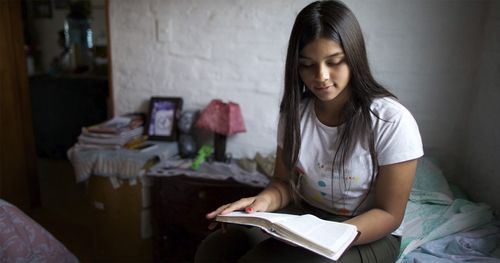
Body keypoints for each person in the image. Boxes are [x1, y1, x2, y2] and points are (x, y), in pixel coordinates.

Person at [195, 0, 423, 262]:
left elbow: (389, 214)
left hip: (365, 231)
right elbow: (284, 184)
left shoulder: (390, 121)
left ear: (354, 58)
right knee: (213, 250)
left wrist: (329, 234)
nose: (321, 76)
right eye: (307, 64)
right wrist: (258, 204)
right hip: (306, 218)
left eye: (334, 61)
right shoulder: (294, 114)